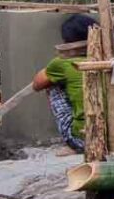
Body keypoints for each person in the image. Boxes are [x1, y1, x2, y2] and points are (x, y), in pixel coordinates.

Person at [33, 14, 96, 153]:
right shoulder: (110, 59)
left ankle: (73, 141)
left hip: (85, 139)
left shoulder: (62, 64)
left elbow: (36, 84)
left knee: (51, 85)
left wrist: (58, 64)